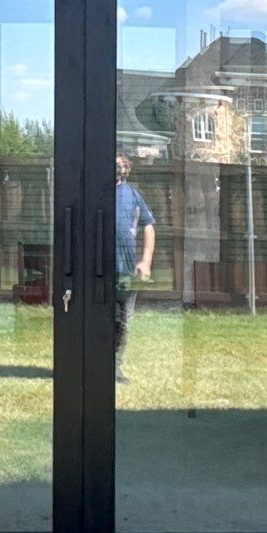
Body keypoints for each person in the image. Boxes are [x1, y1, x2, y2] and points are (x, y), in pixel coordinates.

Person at [114, 154, 155, 384]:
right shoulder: (95, 192)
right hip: (99, 271)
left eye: (119, 164)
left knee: (124, 321)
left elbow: (148, 226)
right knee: (101, 320)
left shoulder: (133, 195)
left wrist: (146, 261)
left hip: (126, 271)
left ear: (126, 170)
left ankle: (115, 368)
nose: (116, 168)